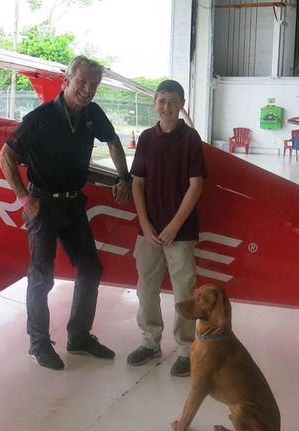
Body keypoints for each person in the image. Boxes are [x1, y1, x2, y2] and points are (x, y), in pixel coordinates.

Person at [0, 55, 132, 371]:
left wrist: (123, 177)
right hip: (42, 204)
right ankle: (38, 343)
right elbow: (5, 155)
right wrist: (23, 199)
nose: (87, 89)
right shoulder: (41, 118)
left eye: (93, 85)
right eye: (82, 82)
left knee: (91, 268)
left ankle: (80, 337)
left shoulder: (91, 114)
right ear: (66, 80)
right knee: (41, 277)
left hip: (73, 204)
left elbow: (113, 141)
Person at [126, 79, 206, 377]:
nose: (167, 107)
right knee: (146, 290)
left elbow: (196, 185)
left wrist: (173, 226)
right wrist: (145, 225)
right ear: (154, 103)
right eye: (162, 101)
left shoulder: (190, 139)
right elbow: (137, 183)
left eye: (173, 101)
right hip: (148, 231)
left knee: (184, 292)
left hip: (180, 232)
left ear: (181, 104)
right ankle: (150, 343)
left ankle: (186, 349)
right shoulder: (147, 138)